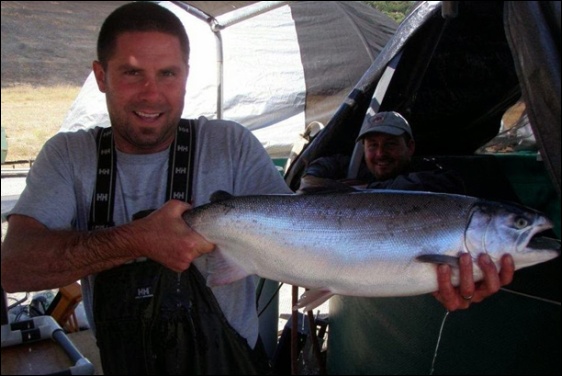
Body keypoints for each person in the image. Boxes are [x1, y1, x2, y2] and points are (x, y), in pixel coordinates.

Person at [1, 3, 509, 373]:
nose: (152, 94)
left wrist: (423, 276)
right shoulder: (69, 157)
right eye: (131, 74)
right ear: (101, 76)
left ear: (185, 75)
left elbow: (309, 250)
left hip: (232, 363)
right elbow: (14, 267)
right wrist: (135, 240)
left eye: (167, 73)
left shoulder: (231, 147)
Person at [299, 111, 515, 310]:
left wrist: (360, 191)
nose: (380, 153)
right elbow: (321, 167)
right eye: (372, 145)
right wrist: (313, 181)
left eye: (390, 144)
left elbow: (419, 186)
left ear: (410, 147)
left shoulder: (431, 176)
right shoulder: (357, 168)